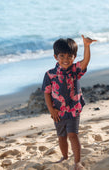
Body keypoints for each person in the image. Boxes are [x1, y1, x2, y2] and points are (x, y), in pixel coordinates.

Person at [42, 35, 97, 170]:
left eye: (70, 56)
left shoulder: (75, 70)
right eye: (62, 56)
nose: (66, 60)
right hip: (58, 112)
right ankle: (65, 156)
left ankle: (77, 162)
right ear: (56, 57)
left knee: (73, 135)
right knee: (61, 137)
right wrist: (51, 110)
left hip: (73, 110)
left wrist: (87, 46)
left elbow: (85, 62)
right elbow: (47, 92)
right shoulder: (50, 74)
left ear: (74, 57)